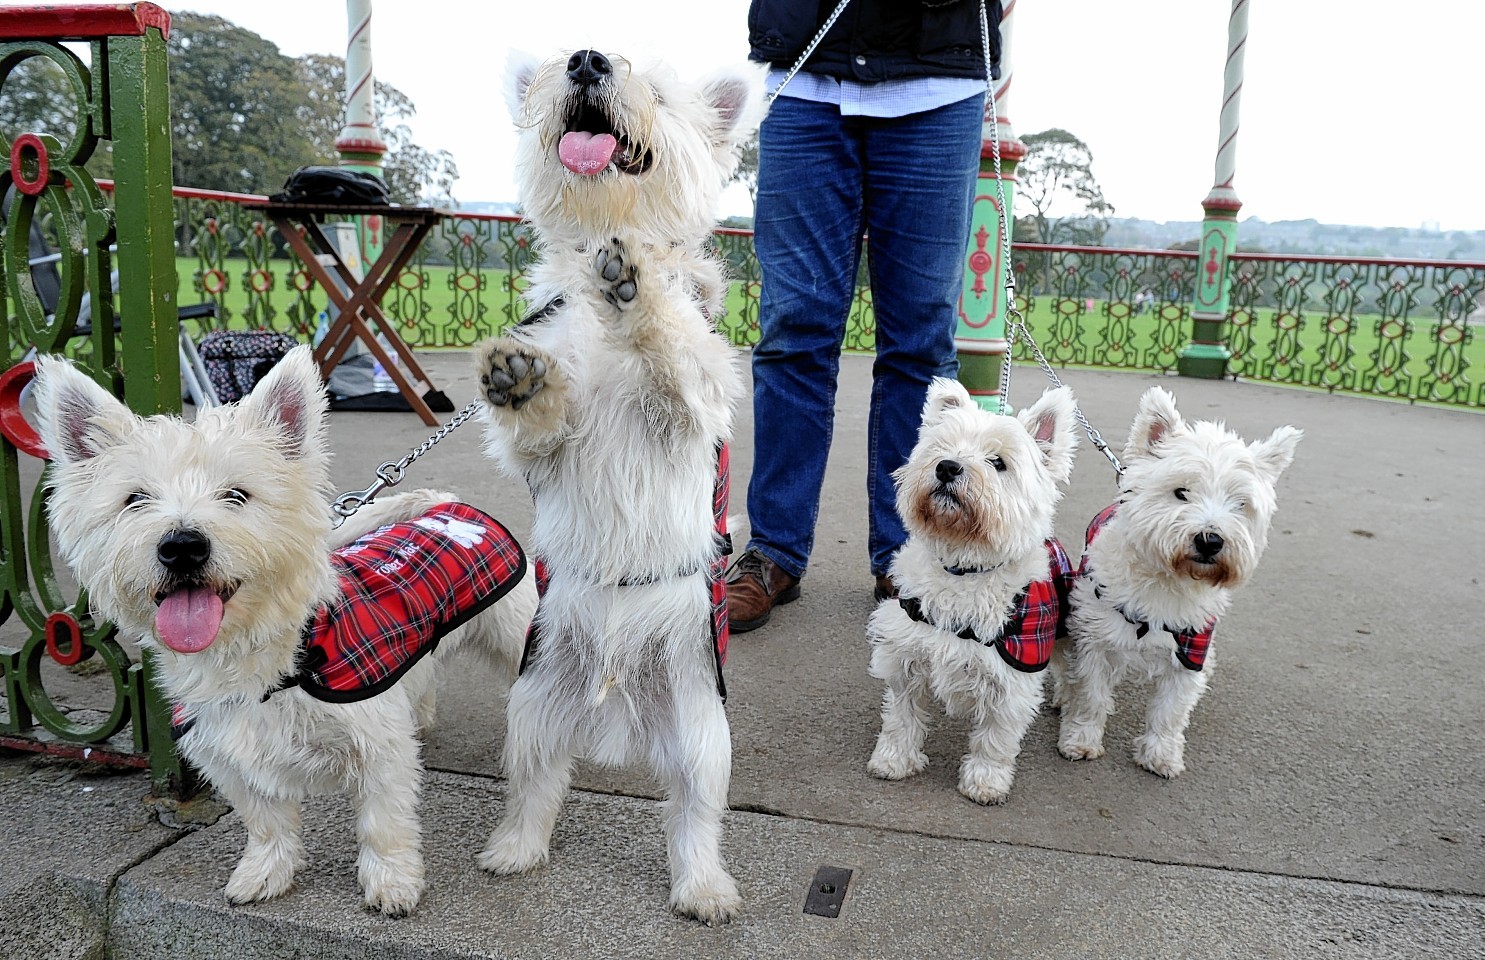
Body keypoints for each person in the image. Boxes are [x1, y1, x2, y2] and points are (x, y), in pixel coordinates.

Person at [726, 0, 1003, 632]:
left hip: (938, 81)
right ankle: (775, 550)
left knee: (920, 346)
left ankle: (905, 553)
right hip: (804, 72)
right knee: (792, 332)